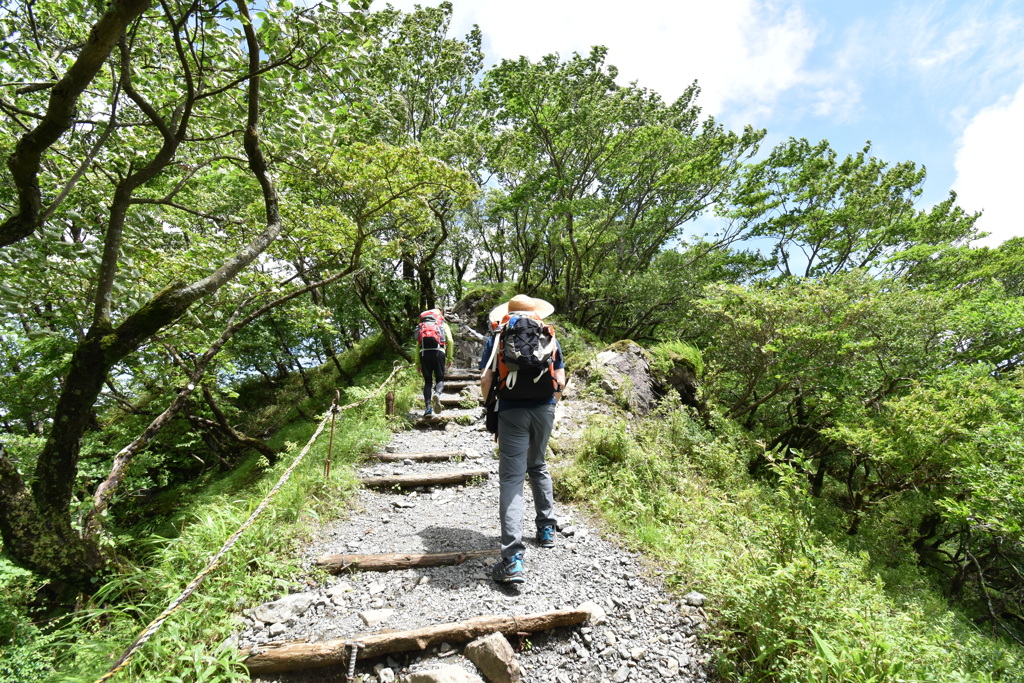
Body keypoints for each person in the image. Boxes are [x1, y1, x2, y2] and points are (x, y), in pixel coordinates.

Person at [481, 294, 566, 584]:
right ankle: (546, 530)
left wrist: (493, 409)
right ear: (536, 313)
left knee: (511, 479)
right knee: (538, 465)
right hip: (544, 409)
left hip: (511, 412)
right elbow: (561, 380)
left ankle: (513, 559)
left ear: (509, 313)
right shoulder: (548, 333)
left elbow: (486, 379)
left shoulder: (498, 335)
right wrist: (550, 405)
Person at [416, 308, 453, 417]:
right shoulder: (443, 325)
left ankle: (428, 409)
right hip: (439, 352)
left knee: (428, 382)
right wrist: (449, 358)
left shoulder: (422, 326)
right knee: (440, 378)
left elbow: (417, 346)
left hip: (424, 354)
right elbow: (450, 341)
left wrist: (418, 363)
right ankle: (437, 394)